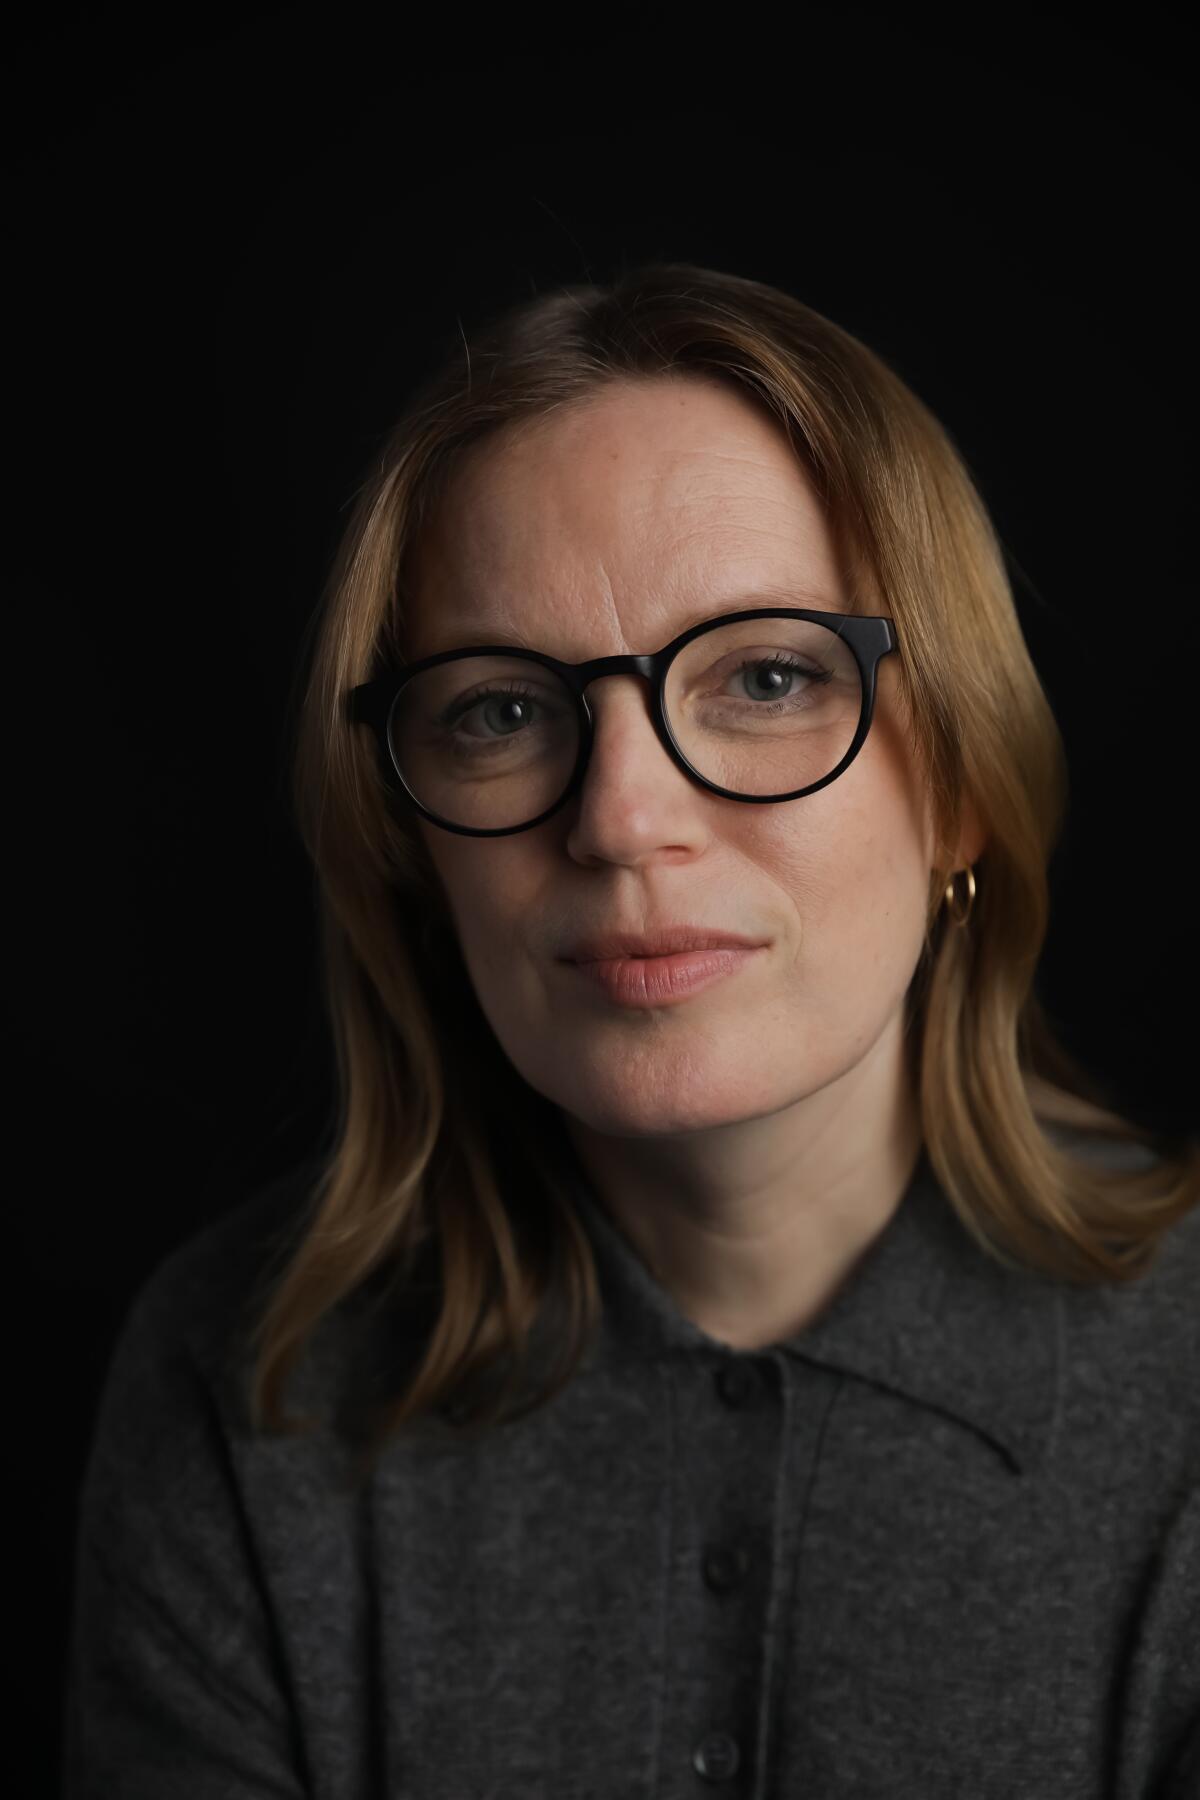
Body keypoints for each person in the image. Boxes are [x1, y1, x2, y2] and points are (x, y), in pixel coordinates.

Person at [62, 262, 1200, 1798]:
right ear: (414, 851)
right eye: (502, 711)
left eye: (769, 678)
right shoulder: (242, 1382)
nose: (621, 819)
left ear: (965, 789)